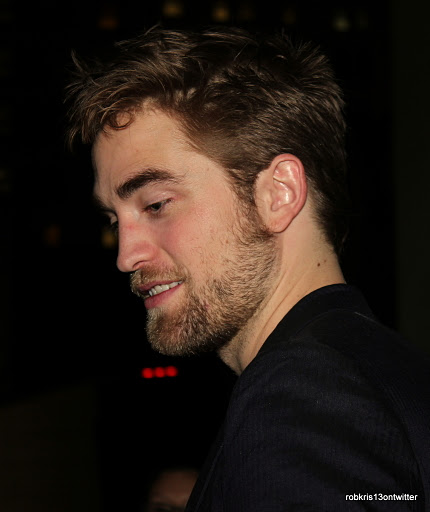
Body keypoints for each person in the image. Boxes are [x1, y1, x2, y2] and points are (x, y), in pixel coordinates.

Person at [65, 26, 430, 510]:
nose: (125, 256)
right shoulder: (388, 373)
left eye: (155, 205)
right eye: (115, 220)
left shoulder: (304, 392)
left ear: (278, 193)